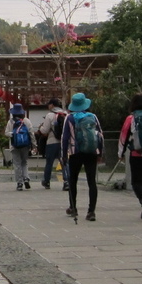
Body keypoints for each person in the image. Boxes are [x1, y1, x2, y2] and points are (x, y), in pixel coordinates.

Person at [60, 92, 104, 222]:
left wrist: (63, 155)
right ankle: (91, 211)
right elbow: (100, 135)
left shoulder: (69, 118)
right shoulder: (93, 116)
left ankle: (73, 208)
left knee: (73, 180)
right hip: (91, 152)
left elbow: (65, 138)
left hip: (75, 152)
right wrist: (100, 152)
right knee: (92, 181)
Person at [37, 97, 69, 190]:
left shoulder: (50, 115)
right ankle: (66, 182)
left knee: (49, 163)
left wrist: (40, 128)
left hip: (52, 142)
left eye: (49, 104)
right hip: (64, 142)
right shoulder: (65, 114)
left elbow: (45, 130)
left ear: (51, 105)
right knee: (64, 162)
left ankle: (46, 182)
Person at [4, 103, 34, 191]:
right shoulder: (27, 121)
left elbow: (6, 133)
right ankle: (26, 178)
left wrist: (12, 134)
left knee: (17, 164)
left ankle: (19, 183)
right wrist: (34, 145)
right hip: (25, 145)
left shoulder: (10, 122)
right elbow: (31, 133)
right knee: (24, 162)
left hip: (14, 146)